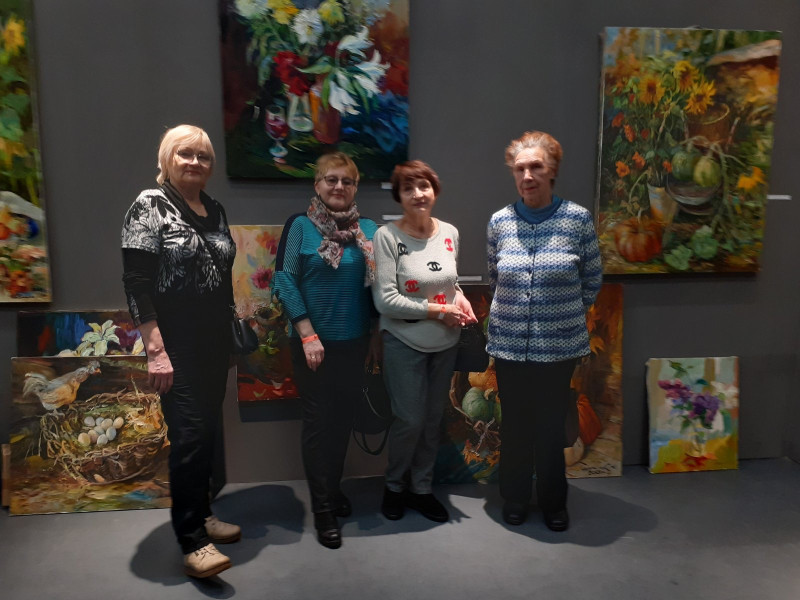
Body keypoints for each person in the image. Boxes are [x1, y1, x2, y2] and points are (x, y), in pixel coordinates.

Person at [121, 125, 240, 578]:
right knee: (189, 437)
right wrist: (155, 350)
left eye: (203, 156)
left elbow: (222, 278)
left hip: (214, 342)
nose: (195, 163)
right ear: (166, 158)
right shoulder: (148, 205)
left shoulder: (215, 208)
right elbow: (136, 284)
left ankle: (204, 513)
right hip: (175, 344)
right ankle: (192, 540)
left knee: (206, 432)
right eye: (185, 154)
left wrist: (229, 335)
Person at [486, 131, 603, 531]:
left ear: (552, 170)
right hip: (508, 347)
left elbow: (592, 278)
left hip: (558, 348)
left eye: (536, 167)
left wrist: (563, 317)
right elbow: (495, 277)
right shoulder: (500, 222)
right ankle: (515, 497)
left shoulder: (577, 220)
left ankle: (554, 502)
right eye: (520, 169)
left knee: (552, 426)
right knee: (515, 425)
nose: (527, 176)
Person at [272, 152, 378, 550]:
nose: (338, 187)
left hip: (354, 343)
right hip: (311, 344)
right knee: (318, 425)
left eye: (347, 181)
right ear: (317, 185)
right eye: (331, 179)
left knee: (342, 422)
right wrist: (306, 333)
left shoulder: (369, 229)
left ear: (355, 187)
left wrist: (376, 335)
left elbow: (377, 287)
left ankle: (332, 489)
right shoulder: (299, 226)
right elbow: (283, 280)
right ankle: (322, 510)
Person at [372, 160, 476, 523]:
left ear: (435, 191)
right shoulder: (387, 237)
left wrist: (460, 298)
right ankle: (394, 486)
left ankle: (421, 489)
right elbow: (385, 301)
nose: (418, 194)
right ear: (399, 196)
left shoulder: (450, 233)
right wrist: (438, 311)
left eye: (424, 186)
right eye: (408, 188)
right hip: (403, 341)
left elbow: (449, 282)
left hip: (445, 343)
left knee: (432, 420)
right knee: (409, 420)